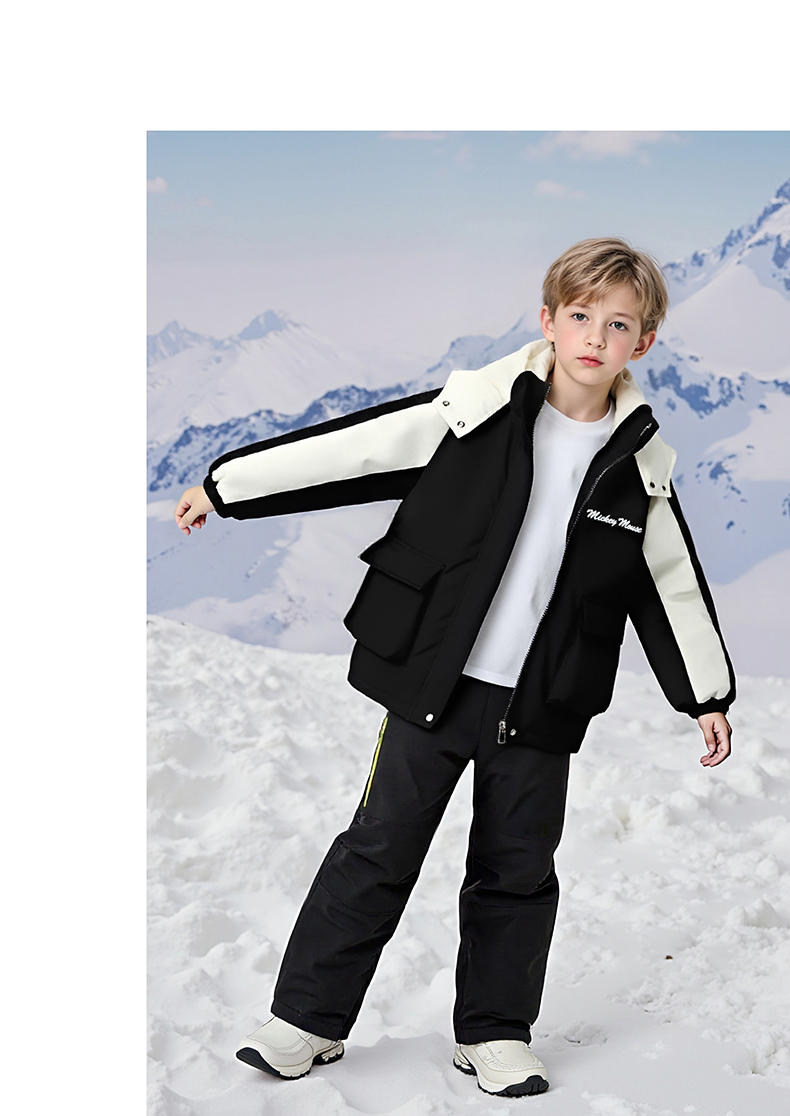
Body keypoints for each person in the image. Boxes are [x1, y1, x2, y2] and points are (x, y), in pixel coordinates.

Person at [174, 238, 735, 1097]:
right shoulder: (477, 412)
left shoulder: (639, 465)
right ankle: (306, 1021)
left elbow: (671, 584)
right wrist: (227, 488)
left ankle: (495, 1031)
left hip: (542, 703)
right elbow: (354, 450)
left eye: (619, 324)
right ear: (548, 320)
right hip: (434, 684)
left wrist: (706, 696)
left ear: (643, 342)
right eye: (580, 315)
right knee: (377, 847)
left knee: (518, 869)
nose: (596, 336)